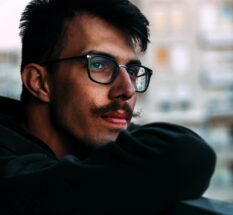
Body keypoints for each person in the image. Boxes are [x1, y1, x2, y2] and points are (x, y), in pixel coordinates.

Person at [0, 0, 216, 214]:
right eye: (99, 64)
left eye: (131, 71)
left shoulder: (87, 151)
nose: (128, 89)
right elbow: (181, 157)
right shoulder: (10, 174)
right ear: (40, 82)